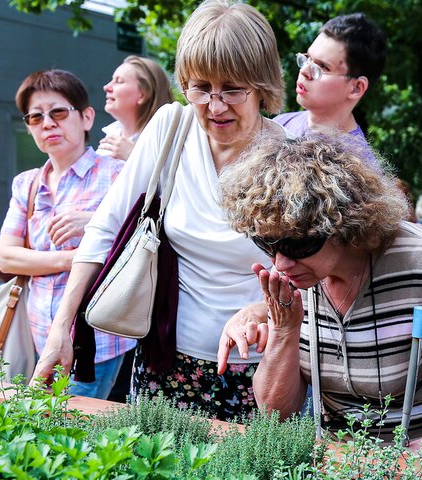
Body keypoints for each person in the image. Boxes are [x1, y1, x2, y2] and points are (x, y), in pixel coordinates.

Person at [30, 0, 286, 421]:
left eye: (233, 89)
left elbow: (315, 276)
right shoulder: (171, 128)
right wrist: (63, 329)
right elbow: (104, 228)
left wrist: (263, 311)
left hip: (259, 371)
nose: (216, 105)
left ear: (261, 84)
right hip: (163, 359)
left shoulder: (288, 160)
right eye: (201, 87)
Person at [218, 133, 422, 450]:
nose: (280, 262)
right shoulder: (295, 278)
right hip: (338, 467)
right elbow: (276, 416)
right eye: (266, 244)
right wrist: (284, 330)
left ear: (343, 224)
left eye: (298, 244)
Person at [0, 69, 135, 399]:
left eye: (58, 112)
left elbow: (138, 246)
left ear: (86, 117)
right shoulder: (27, 184)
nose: (47, 123)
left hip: (97, 342)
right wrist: (73, 258)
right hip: (40, 337)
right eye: (35, 117)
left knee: (71, 434)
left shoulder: (118, 175)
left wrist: (92, 224)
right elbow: (6, 256)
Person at [274, 13, 386, 153]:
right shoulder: (278, 126)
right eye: (308, 58)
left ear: (356, 88)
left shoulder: (359, 168)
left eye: (322, 66)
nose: (304, 71)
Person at [97, 55, 173, 161]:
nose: (107, 87)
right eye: (112, 80)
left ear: (143, 94)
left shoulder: (167, 143)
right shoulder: (111, 134)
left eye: (119, 81)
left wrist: (133, 155)